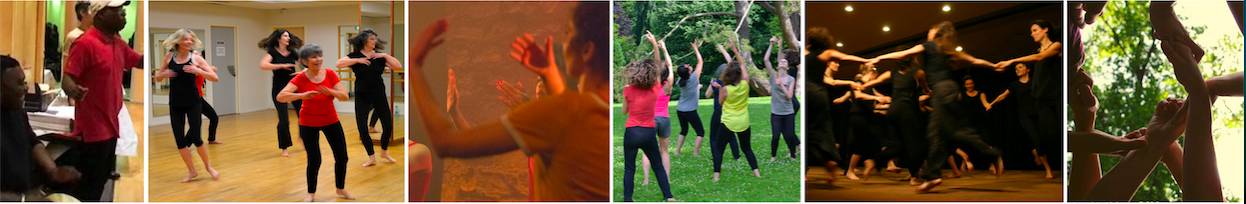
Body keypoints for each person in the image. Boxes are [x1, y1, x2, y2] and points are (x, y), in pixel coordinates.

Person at [406, 2, 611, 201]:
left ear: (587, 50)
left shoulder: (558, 113)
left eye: (568, 33)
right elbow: (568, 125)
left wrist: (414, 67)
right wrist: (549, 77)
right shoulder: (602, 111)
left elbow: (445, 143)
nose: (564, 43)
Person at [865, 21, 1004, 193]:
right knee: (954, 133)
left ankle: (934, 175)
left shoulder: (929, 45)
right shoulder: (947, 49)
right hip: (950, 90)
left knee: (935, 133)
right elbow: (973, 60)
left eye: (930, 30)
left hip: (942, 91)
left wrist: (880, 57)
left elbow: (904, 53)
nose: (928, 32)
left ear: (936, 32)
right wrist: (993, 65)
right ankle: (986, 156)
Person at [60, 1, 142, 200]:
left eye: (123, 11)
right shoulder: (85, 43)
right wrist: (73, 90)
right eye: (117, 11)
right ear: (101, 15)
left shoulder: (118, 42)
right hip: (93, 129)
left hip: (111, 124)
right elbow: (67, 79)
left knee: (102, 178)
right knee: (90, 185)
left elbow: (138, 61)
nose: (124, 15)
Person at [276, 44, 355, 202]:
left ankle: (340, 188)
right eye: (314, 57)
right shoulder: (300, 78)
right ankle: (310, 193)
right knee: (315, 159)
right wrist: (301, 95)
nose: (318, 59)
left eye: (320, 55)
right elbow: (281, 97)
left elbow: (344, 96)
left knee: (342, 157)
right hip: (308, 123)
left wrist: (330, 91)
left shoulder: (330, 74)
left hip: (331, 120)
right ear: (305, 61)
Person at [0, 56, 82, 201]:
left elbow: (32, 141)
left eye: (24, 81)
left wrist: (53, 171)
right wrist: (24, 199)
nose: (26, 88)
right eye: (19, 84)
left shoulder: (16, 111)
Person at [154, 29, 221, 183]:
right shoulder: (170, 56)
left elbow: (214, 77)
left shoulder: (196, 58)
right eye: (186, 39)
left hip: (193, 102)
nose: (189, 42)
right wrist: (163, 75)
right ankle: (192, 171)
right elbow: (158, 77)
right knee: (180, 140)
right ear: (178, 41)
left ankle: (208, 166)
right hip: (175, 103)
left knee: (197, 138)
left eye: (191, 39)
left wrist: (198, 70)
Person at [806, 27, 869, 183]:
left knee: (807, 131)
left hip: (807, 94)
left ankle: (807, 172)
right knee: (824, 130)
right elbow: (847, 57)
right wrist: (866, 60)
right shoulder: (826, 54)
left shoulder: (805, 54)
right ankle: (830, 165)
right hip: (819, 95)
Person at [336, 28, 402, 167]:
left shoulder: (379, 57)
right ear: (364, 40)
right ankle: (371, 157)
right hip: (362, 95)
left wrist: (385, 55)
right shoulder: (355, 56)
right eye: (372, 38)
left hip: (379, 94)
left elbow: (398, 66)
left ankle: (384, 152)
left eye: (375, 38)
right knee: (362, 127)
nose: (375, 41)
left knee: (388, 126)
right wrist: (358, 61)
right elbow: (339, 64)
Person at [621, 56, 675, 201]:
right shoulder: (656, 88)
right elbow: (658, 68)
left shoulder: (628, 90)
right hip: (648, 132)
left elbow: (624, 111)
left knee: (629, 168)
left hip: (632, 132)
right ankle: (668, 196)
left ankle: (627, 199)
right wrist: (656, 47)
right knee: (658, 166)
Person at [986, 63, 1053, 179]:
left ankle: (1036, 151)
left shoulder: (1034, 82)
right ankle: (1048, 169)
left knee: (1046, 138)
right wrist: (991, 103)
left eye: (1020, 67)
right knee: (1037, 139)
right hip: (1025, 117)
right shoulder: (1014, 85)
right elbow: (1003, 96)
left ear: (1028, 70)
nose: (1017, 70)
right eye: (1016, 69)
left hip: (1038, 114)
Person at [711, 39, 761, 182]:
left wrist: (720, 88)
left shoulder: (726, 89)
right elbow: (742, 65)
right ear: (739, 75)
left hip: (728, 123)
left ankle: (716, 177)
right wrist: (734, 50)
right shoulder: (745, 84)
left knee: (719, 149)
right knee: (747, 149)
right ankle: (757, 173)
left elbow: (721, 103)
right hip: (743, 123)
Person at [257, 29, 303, 157]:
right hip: (279, 90)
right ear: (279, 39)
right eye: (285, 36)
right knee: (284, 121)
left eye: (289, 36)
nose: (288, 38)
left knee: (303, 115)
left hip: (294, 88)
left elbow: (306, 65)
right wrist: (281, 66)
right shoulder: (272, 53)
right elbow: (263, 65)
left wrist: (302, 73)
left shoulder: (293, 53)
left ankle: (302, 138)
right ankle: (285, 148)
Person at [641, 36, 674, 186]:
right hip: (664, 119)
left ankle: (646, 179)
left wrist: (655, 45)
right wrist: (664, 49)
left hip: (651, 120)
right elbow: (670, 65)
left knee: (647, 150)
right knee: (664, 151)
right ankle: (666, 178)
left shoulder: (654, 84)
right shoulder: (669, 86)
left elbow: (656, 63)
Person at [763, 37, 799, 162]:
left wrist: (781, 85)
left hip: (788, 111)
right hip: (776, 112)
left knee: (789, 135)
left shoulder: (791, 79)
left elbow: (789, 96)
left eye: (784, 61)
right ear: (778, 67)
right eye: (780, 62)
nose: (782, 61)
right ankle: (773, 156)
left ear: (788, 67)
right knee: (776, 136)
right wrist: (772, 44)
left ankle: (793, 154)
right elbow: (766, 60)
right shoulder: (773, 75)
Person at [673, 40, 706, 157]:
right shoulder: (693, 78)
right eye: (688, 66)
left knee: (684, 130)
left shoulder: (680, 81)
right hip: (690, 111)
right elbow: (700, 61)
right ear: (689, 71)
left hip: (680, 110)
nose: (689, 65)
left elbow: (691, 88)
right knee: (700, 132)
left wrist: (698, 86)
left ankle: (677, 151)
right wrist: (695, 48)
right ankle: (695, 153)